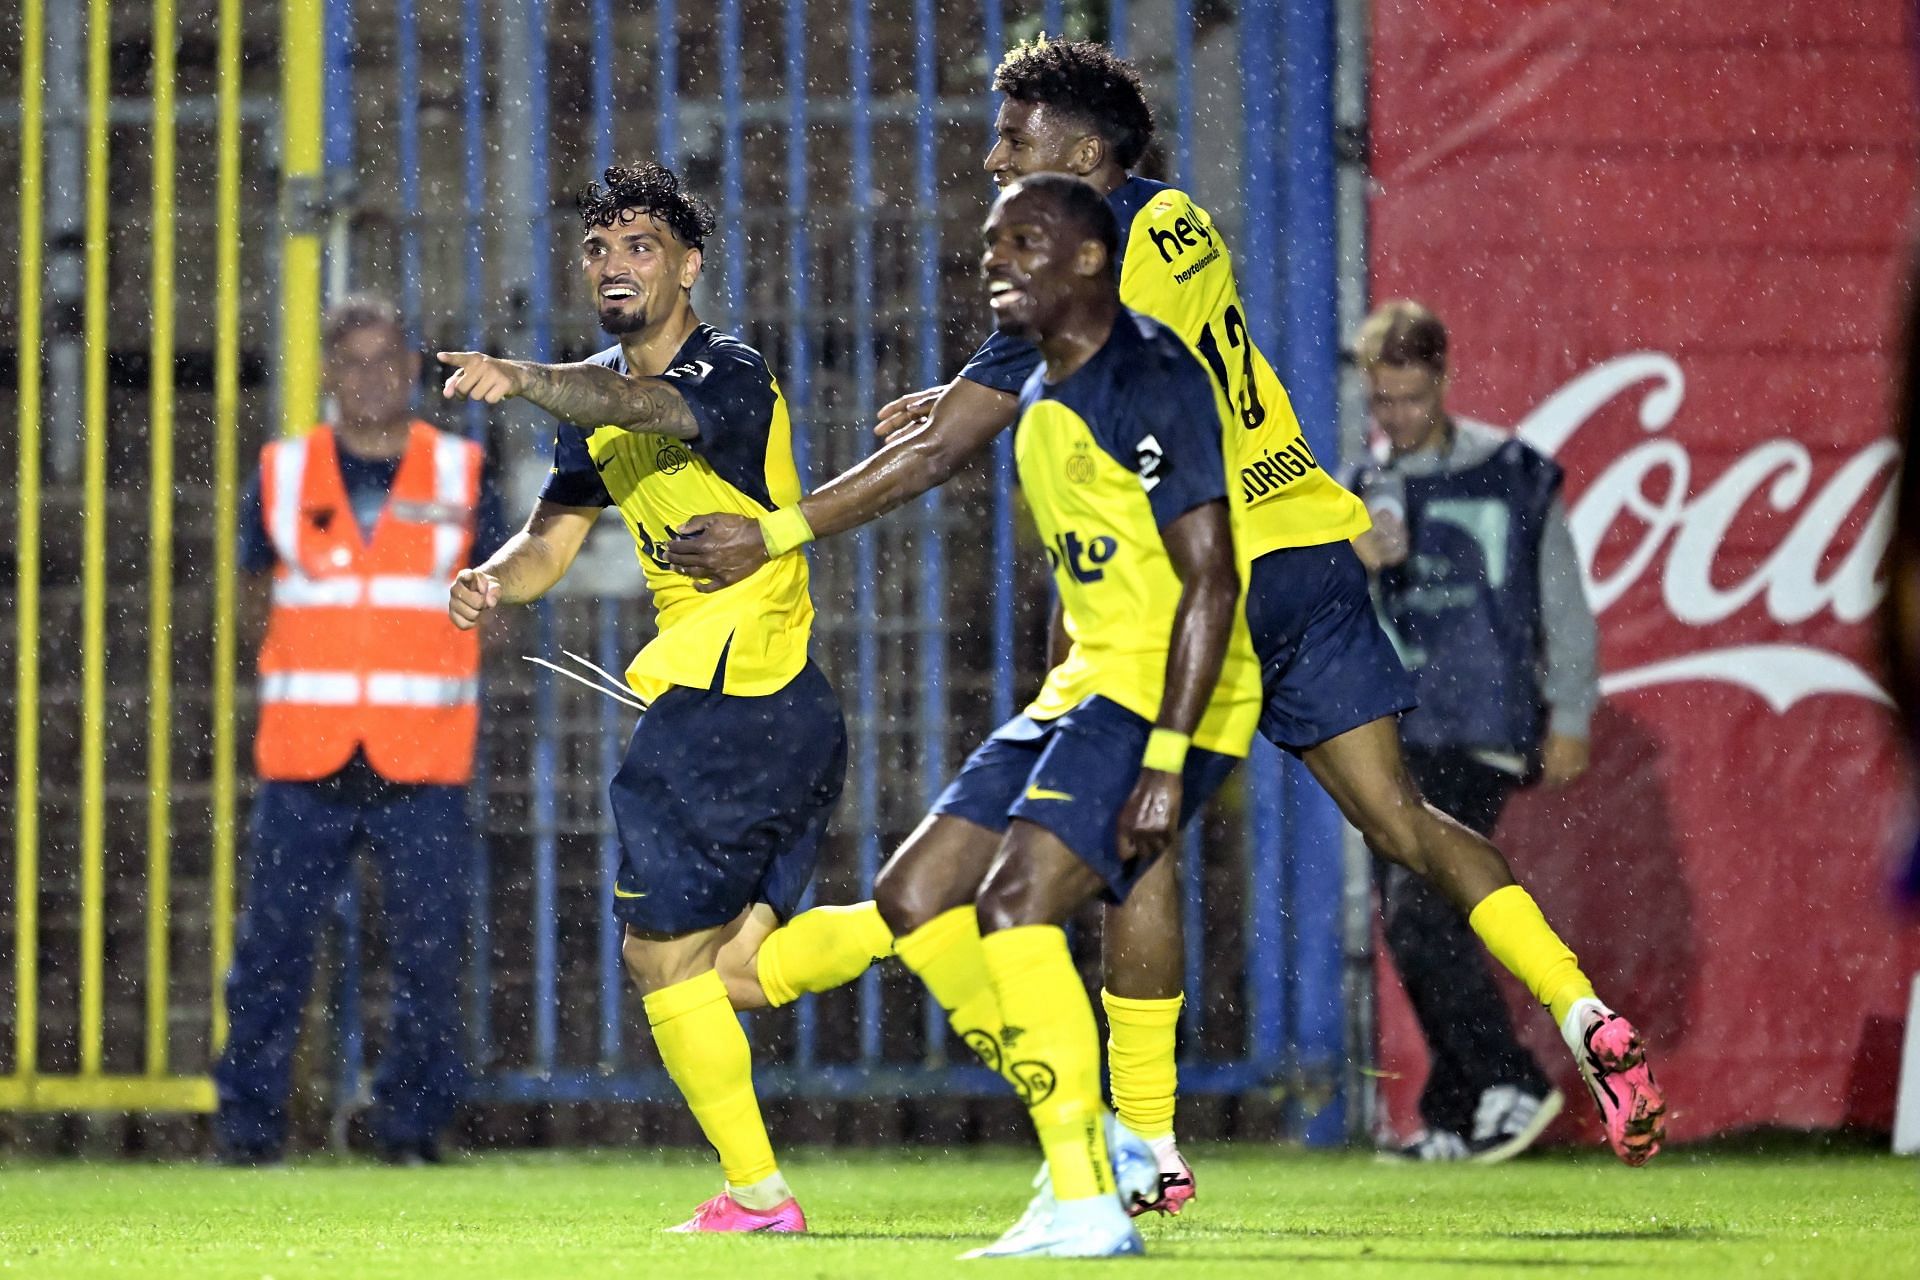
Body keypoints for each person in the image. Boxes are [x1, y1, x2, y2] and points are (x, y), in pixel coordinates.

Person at [666, 37, 1667, 1176]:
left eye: (1017, 137)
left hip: (1204, 576)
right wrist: (975, 383)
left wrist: (778, 530)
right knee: (1404, 824)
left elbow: (957, 444)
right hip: (1308, 544)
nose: (994, 158)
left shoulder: (1074, 264)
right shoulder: (1171, 218)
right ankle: (1583, 1009)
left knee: (1127, 850)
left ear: (1086, 153)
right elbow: (1086, 356)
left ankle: (1145, 1141)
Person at [436, 161, 872, 1234]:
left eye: (640, 246)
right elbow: (551, 540)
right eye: (599, 247)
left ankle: (761, 1195)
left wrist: (522, 374)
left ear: (689, 266)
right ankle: (941, 913)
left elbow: (642, 402)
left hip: (737, 691)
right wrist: (494, 579)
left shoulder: (729, 369)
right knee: (740, 972)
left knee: (655, 957)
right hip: (777, 705)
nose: (616, 264)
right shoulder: (593, 403)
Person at [884, 172, 1256, 1258]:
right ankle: (1089, 1142)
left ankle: (1087, 1193)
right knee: (914, 895)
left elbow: (1212, 579)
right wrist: (1048, 713)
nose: (999, 260)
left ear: (1092, 259)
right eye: (991, 241)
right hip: (1081, 689)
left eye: (1027, 241)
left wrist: (1166, 761)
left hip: (1154, 693)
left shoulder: (1151, 376)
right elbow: (1075, 581)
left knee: (1015, 907)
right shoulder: (1041, 402)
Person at [213, 295, 506, 1166]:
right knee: (270, 954)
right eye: (354, 360)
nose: (371, 377)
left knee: (429, 955)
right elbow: (246, 597)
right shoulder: (282, 469)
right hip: (306, 752)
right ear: (329, 372)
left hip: (424, 754)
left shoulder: (461, 471)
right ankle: (248, 1131)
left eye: (388, 360)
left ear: (413, 372)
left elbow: (502, 597)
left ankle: (410, 1129)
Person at [1347, 300, 1598, 1161]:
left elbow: (1562, 598)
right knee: (1419, 916)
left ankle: (1508, 1079)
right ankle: (1457, 1112)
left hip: (1480, 723)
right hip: (1393, 731)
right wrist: (1356, 566)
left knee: (1421, 912)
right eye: (1383, 401)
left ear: (1444, 381)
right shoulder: (1357, 490)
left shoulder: (1512, 470)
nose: (1398, 418)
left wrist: (1570, 710)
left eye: (1411, 398)